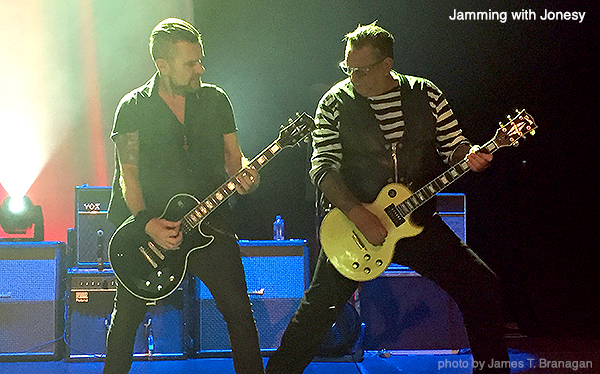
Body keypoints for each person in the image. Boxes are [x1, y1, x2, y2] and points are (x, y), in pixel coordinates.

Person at [265, 21, 509, 374]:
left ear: (386, 65)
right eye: (348, 70)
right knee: (317, 313)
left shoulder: (426, 94)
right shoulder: (334, 102)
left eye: (362, 71)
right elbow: (323, 168)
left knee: (483, 287)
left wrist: (469, 155)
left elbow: (453, 145)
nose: (354, 78)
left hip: (416, 220)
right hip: (355, 225)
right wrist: (358, 213)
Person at [104, 18, 264, 374]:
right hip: (149, 230)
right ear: (162, 66)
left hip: (209, 223)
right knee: (126, 321)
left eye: (200, 60)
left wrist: (247, 176)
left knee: (239, 313)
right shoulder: (133, 106)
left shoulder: (215, 99)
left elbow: (234, 157)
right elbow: (127, 175)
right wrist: (147, 224)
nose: (200, 69)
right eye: (190, 63)